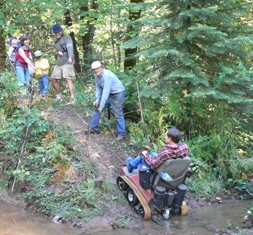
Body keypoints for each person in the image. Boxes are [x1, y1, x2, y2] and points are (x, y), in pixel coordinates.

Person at [88, 61, 126, 141]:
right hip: (108, 94)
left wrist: (102, 106)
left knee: (118, 113)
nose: (96, 70)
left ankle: (121, 134)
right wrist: (97, 99)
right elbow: (98, 89)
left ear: (101, 67)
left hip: (117, 94)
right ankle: (94, 128)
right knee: (97, 108)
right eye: (94, 69)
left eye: (97, 68)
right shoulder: (96, 75)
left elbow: (106, 91)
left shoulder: (107, 75)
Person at [51, 24, 76, 104]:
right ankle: (59, 96)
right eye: (55, 32)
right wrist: (58, 52)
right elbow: (54, 51)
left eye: (58, 32)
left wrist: (70, 57)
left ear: (61, 31)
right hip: (59, 62)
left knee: (67, 78)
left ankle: (72, 98)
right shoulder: (56, 41)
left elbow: (70, 47)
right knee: (53, 79)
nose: (57, 33)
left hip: (67, 61)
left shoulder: (67, 38)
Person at [15, 33, 35, 98]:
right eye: (26, 40)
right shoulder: (20, 49)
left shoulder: (28, 48)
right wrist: (33, 67)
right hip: (19, 66)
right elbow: (26, 59)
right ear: (23, 41)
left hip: (26, 67)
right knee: (22, 83)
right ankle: (22, 100)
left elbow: (30, 59)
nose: (27, 41)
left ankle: (28, 98)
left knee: (28, 82)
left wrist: (33, 65)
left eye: (28, 39)